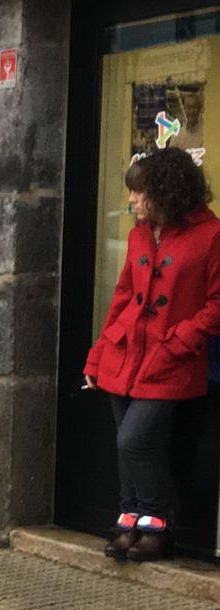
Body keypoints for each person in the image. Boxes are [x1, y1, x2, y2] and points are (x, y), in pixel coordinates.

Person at [85, 146, 220, 561]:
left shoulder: (211, 236)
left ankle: (158, 521)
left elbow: (216, 304)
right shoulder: (138, 234)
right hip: (123, 356)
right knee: (128, 446)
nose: (132, 200)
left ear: (167, 191)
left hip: (171, 361)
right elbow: (123, 297)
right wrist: (97, 355)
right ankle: (129, 518)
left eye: (140, 192)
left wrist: (180, 340)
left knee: (134, 441)